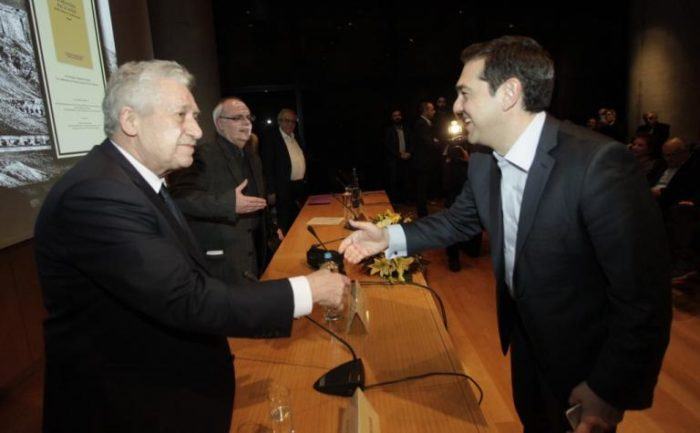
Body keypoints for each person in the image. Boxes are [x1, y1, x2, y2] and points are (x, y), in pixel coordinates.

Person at [340, 36, 671, 433]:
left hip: (583, 357)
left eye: (465, 93)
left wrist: (609, 390)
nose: (457, 106)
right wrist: (387, 238)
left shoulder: (598, 163)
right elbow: (459, 221)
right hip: (525, 337)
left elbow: (643, 297)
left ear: (510, 93)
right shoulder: (483, 160)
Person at [34, 60, 348, 433]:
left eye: (195, 117)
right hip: (129, 409)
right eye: (181, 115)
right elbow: (187, 298)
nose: (197, 131)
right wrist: (307, 290)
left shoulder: (135, 182)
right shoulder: (97, 194)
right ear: (131, 121)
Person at [169, 97, 271, 285]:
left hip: (255, 254)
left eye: (248, 117)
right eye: (237, 118)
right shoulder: (199, 155)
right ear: (220, 124)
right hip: (223, 262)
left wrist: (272, 229)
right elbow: (179, 199)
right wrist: (229, 204)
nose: (246, 123)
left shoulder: (253, 157)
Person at [261, 108, 307, 232]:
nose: (290, 124)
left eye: (293, 121)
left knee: (299, 220)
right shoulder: (272, 139)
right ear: (279, 121)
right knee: (285, 222)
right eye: (287, 120)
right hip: (282, 188)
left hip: (298, 186)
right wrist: (271, 190)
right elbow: (268, 166)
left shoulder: (296, 137)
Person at [411, 100, 440, 217]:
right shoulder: (421, 123)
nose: (434, 111)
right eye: (432, 109)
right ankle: (422, 213)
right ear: (425, 111)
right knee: (421, 188)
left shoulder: (426, 123)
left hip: (425, 162)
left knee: (424, 187)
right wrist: (436, 142)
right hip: (422, 162)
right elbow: (428, 142)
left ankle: (423, 211)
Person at [384, 109, 412, 204]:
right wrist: (399, 155)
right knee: (394, 181)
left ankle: (406, 200)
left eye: (398, 115)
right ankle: (395, 202)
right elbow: (388, 146)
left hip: (406, 158)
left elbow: (412, 142)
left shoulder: (406, 129)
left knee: (406, 180)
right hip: (394, 160)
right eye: (395, 116)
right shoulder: (389, 130)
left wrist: (409, 152)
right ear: (392, 118)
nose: (397, 117)